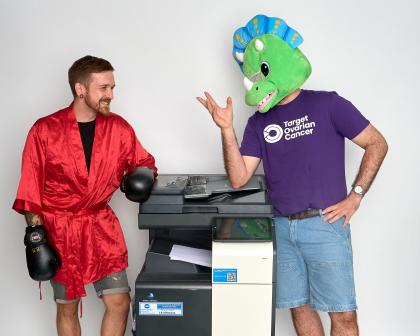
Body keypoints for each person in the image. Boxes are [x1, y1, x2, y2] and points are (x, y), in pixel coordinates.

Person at [197, 15, 388, 336]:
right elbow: (239, 178)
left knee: (343, 314)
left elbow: (377, 143)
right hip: (283, 228)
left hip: (325, 226)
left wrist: (355, 196)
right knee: (300, 308)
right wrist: (226, 129)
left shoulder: (328, 104)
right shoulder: (258, 122)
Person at [13, 55, 157, 336]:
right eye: (103, 88)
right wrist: (35, 235)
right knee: (68, 306)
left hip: (100, 226)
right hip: (60, 230)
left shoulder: (119, 128)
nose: (111, 95)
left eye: (112, 88)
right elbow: (30, 188)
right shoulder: (45, 130)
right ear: (81, 89)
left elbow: (143, 160)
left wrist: (142, 175)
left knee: (119, 301)